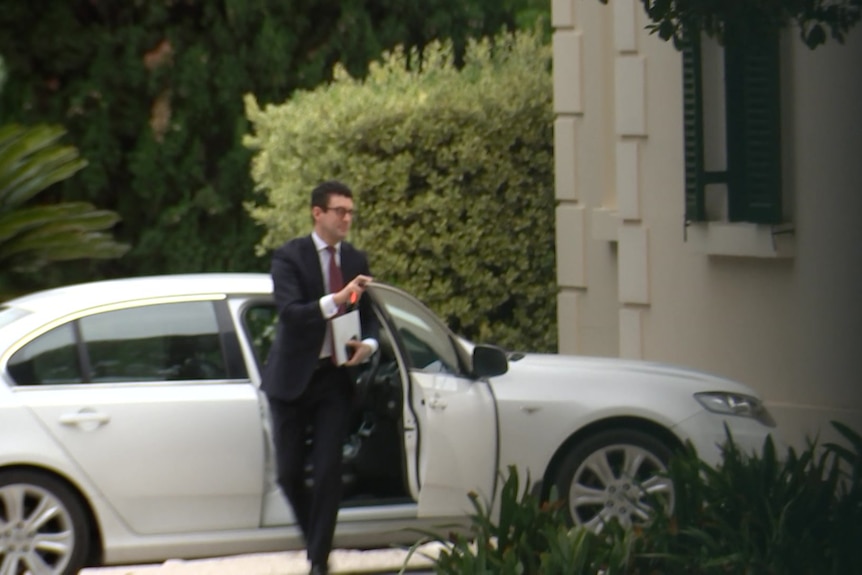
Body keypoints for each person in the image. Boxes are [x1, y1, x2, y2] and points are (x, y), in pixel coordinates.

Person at [261, 180, 378, 575]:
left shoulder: (357, 259)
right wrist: (339, 299)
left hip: (333, 379)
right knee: (289, 474)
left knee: (329, 471)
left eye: (351, 212)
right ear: (318, 213)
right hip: (291, 380)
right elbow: (291, 312)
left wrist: (370, 345)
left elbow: (371, 315)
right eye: (339, 211)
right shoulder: (289, 257)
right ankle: (316, 541)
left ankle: (318, 560)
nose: (347, 218)